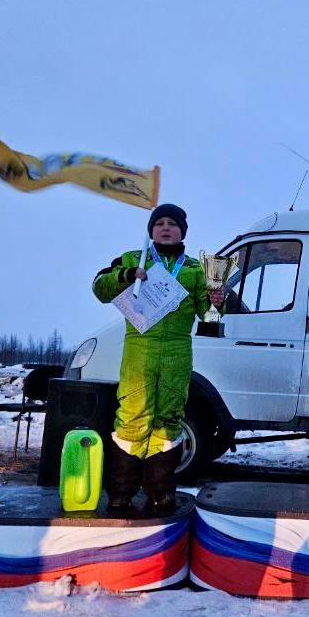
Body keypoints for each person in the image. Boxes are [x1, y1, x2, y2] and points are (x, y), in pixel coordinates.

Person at [92, 203, 225, 513]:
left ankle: (160, 493)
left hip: (177, 355)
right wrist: (127, 275)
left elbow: (209, 318)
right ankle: (121, 494)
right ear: (151, 231)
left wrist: (218, 300)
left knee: (168, 423)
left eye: (172, 223)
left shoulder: (196, 269)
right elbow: (99, 288)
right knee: (132, 421)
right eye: (159, 223)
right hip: (139, 353)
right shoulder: (131, 259)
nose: (166, 227)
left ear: (183, 231)